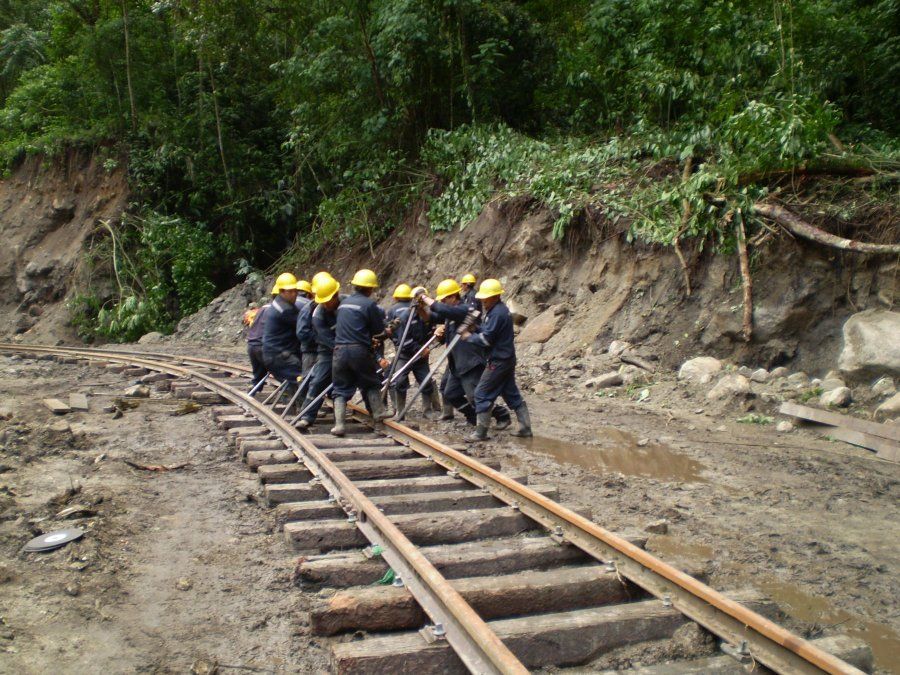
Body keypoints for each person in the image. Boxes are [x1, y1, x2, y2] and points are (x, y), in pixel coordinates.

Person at [420, 279, 511, 429]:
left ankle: (501, 414)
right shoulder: (451, 313)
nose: (442, 302)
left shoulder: (464, 309)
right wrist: (420, 308)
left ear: (452, 297)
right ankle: (472, 416)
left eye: (444, 299)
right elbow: (430, 317)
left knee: (475, 397)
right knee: (451, 394)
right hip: (456, 363)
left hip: (470, 362)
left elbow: (441, 310)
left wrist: (424, 298)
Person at [459, 278, 532, 440]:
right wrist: (476, 328)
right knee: (511, 393)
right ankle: (525, 428)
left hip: (499, 361)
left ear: (494, 297)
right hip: (506, 359)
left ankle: (481, 432)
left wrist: (469, 336)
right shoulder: (496, 311)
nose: (482, 301)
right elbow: (488, 331)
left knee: (481, 393)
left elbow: (486, 340)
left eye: (485, 298)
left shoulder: (497, 313)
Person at [330, 269, 391, 436]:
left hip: (339, 350)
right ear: (370, 289)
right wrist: (387, 331)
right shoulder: (369, 304)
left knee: (340, 388)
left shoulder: (343, 304)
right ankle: (378, 413)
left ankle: (339, 425)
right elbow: (378, 331)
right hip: (359, 350)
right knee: (371, 382)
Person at [386, 284, 440, 419]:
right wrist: (419, 349)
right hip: (404, 354)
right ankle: (400, 411)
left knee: (426, 381)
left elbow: (431, 332)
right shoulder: (405, 316)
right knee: (399, 381)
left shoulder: (427, 316)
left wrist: (429, 343)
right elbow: (404, 339)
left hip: (421, 357)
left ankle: (427, 410)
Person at [296, 273, 341, 429]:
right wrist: (317, 340)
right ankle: (306, 415)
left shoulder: (344, 305)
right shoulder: (311, 311)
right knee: (315, 382)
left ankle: (375, 411)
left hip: (341, 348)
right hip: (319, 351)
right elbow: (303, 333)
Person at [262, 272, 303, 395]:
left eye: (295, 290)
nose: (294, 294)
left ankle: (295, 404)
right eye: (290, 291)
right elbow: (303, 328)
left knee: (295, 381)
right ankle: (306, 409)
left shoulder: (279, 304)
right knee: (304, 378)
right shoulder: (286, 310)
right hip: (279, 356)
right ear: (282, 292)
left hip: (273, 354)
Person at [294, 279, 318, 387]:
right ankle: (304, 401)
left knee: (305, 377)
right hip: (310, 348)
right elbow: (303, 332)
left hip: (295, 346)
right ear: (309, 293)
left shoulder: (289, 302)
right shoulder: (308, 306)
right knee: (308, 378)